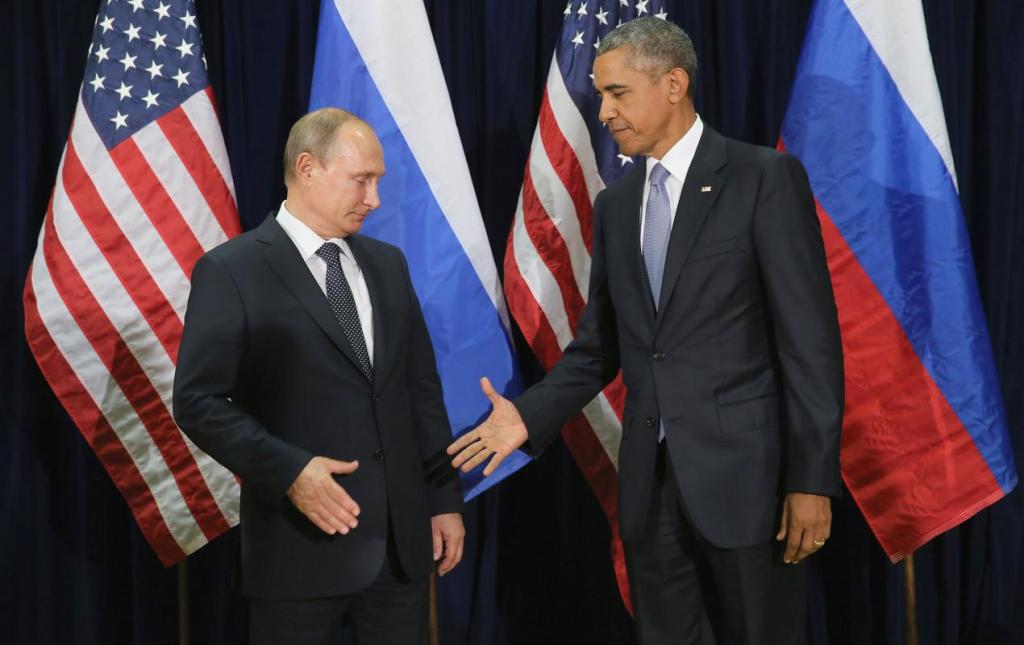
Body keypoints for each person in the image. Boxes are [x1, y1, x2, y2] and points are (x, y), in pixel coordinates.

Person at [448, 17, 843, 645]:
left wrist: (811, 481)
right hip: (651, 494)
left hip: (748, 488)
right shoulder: (616, 206)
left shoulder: (761, 179)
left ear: (674, 84)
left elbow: (810, 344)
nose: (602, 112)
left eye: (617, 93)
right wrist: (527, 417)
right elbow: (598, 348)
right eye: (599, 95)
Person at [173, 108, 464, 645]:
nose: (374, 198)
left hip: (399, 553)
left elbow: (420, 392)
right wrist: (290, 471)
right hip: (297, 552)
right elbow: (198, 402)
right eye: (362, 180)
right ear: (307, 168)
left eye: (377, 181)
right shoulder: (232, 270)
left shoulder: (387, 264)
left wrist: (443, 500)